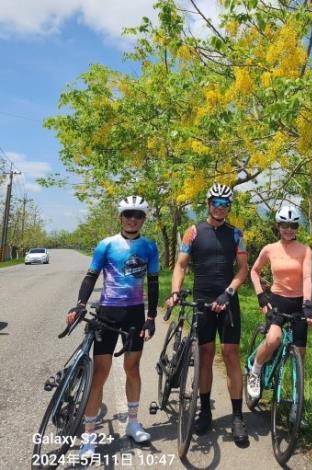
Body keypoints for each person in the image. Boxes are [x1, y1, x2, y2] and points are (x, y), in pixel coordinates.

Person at [66, 195, 159, 458]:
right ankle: (89, 436)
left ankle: (132, 422)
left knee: (132, 369)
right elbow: (91, 276)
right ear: (121, 217)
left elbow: (153, 283)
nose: (132, 219)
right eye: (128, 214)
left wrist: (151, 317)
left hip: (134, 316)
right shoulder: (106, 245)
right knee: (100, 374)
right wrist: (80, 304)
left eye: (138, 215)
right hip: (107, 314)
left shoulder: (150, 247)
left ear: (143, 219)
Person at [167, 183, 249, 445]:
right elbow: (180, 265)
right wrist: (176, 291)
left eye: (225, 204)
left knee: (231, 354)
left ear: (230, 207)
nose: (220, 207)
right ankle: (204, 411)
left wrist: (229, 292)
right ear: (208, 203)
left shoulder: (237, 234)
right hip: (202, 301)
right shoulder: (192, 233)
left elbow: (243, 269)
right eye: (216, 202)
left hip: (228, 300)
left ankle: (237, 416)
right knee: (205, 355)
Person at [247, 206, 312, 420]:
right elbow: (254, 271)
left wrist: (307, 304)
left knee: (299, 356)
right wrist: (261, 296)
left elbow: (306, 278)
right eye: (284, 225)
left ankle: (296, 408)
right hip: (277, 301)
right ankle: (256, 371)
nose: (288, 229)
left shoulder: (305, 250)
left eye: (293, 225)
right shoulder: (270, 249)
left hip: (298, 303)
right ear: (278, 226)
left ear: (297, 228)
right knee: (274, 339)